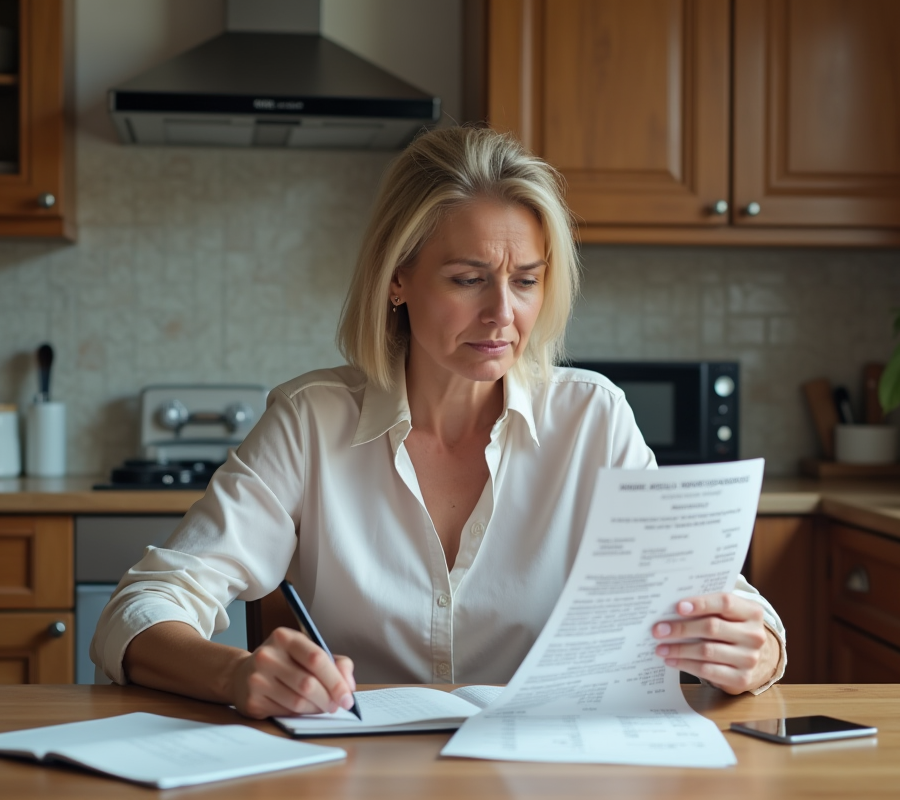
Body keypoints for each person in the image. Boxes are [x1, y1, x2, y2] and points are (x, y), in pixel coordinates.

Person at [91, 126, 785, 719]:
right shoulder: (311, 424)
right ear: (398, 279)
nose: (502, 315)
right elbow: (141, 608)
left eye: (526, 280)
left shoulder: (592, 419)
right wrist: (234, 674)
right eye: (467, 277)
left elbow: (732, 608)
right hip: (358, 776)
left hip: (547, 774)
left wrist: (757, 650)